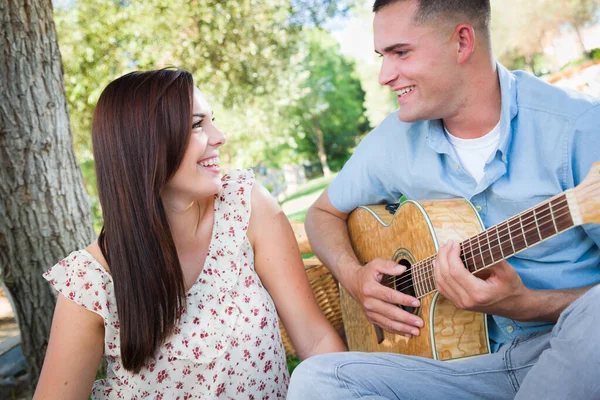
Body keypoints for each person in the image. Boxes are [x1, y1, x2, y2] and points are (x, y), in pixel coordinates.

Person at [287, 0, 600, 399]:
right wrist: (354, 277)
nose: (385, 75)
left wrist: (526, 304)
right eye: (382, 56)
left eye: (400, 52)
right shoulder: (394, 140)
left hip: (573, 352)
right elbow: (321, 213)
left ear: (462, 42)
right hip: (468, 370)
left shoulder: (578, 127)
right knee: (316, 379)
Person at [33, 68, 345, 399]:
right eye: (197, 125)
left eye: (211, 121)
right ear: (145, 146)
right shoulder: (90, 280)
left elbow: (315, 340)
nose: (219, 136)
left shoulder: (246, 206)